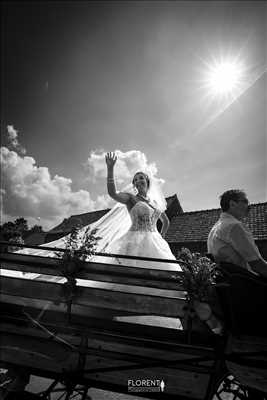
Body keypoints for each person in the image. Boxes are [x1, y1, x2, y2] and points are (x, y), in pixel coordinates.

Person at [103, 152, 181, 271]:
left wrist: (161, 235)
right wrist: (110, 168)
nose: (138, 181)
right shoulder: (131, 198)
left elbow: (165, 221)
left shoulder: (155, 203)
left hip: (155, 242)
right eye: (135, 180)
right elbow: (112, 193)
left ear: (147, 181)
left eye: (141, 178)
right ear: (134, 185)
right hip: (134, 240)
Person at [207, 189, 267, 279]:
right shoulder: (234, 226)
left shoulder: (215, 228)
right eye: (245, 201)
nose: (249, 205)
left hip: (230, 284)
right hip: (248, 285)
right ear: (232, 204)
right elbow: (257, 264)